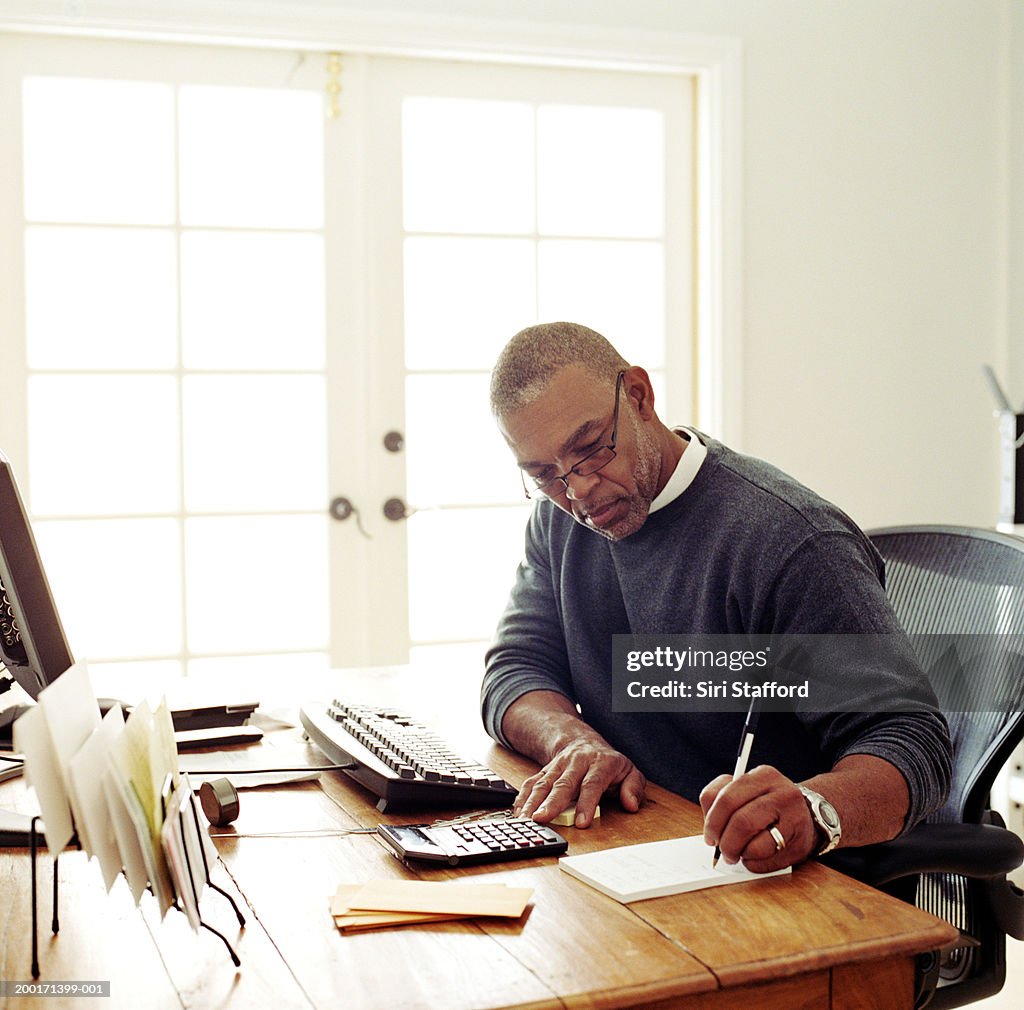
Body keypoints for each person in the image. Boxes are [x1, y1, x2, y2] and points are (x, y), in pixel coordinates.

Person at [481, 321, 952, 872]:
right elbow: (516, 669)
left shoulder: (789, 540)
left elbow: (913, 741)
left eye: (590, 449)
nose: (577, 489)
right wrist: (573, 743)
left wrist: (814, 809)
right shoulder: (558, 522)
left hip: (783, 879)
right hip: (637, 851)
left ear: (638, 396)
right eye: (544, 474)